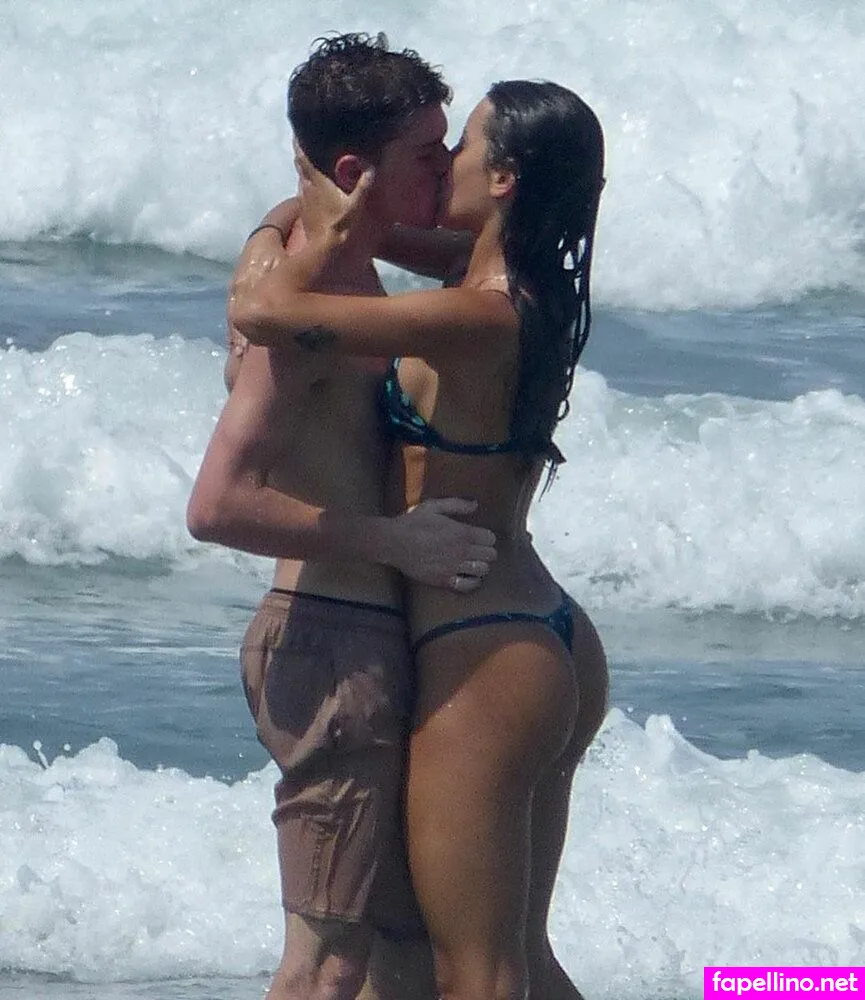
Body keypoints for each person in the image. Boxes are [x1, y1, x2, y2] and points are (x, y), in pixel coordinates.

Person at [231, 79, 610, 1000]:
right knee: (523, 959)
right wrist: (305, 211)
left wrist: (266, 248)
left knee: (474, 973)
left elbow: (268, 314)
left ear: (504, 178)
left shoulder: (478, 312)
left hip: (479, 650)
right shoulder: (508, 282)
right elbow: (351, 225)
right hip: (538, 632)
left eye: (462, 146)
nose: (444, 163)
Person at [187, 34, 498, 1000]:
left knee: (399, 957)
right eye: (428, 154)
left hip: (362, 637)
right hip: (330, 640)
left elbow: (481, 254)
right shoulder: (299, 306)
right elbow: (216, 505)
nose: (447, 169)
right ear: (358, 172)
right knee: (324, 966)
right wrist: (392, 540)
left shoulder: (333, 276)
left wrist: (286, 216)